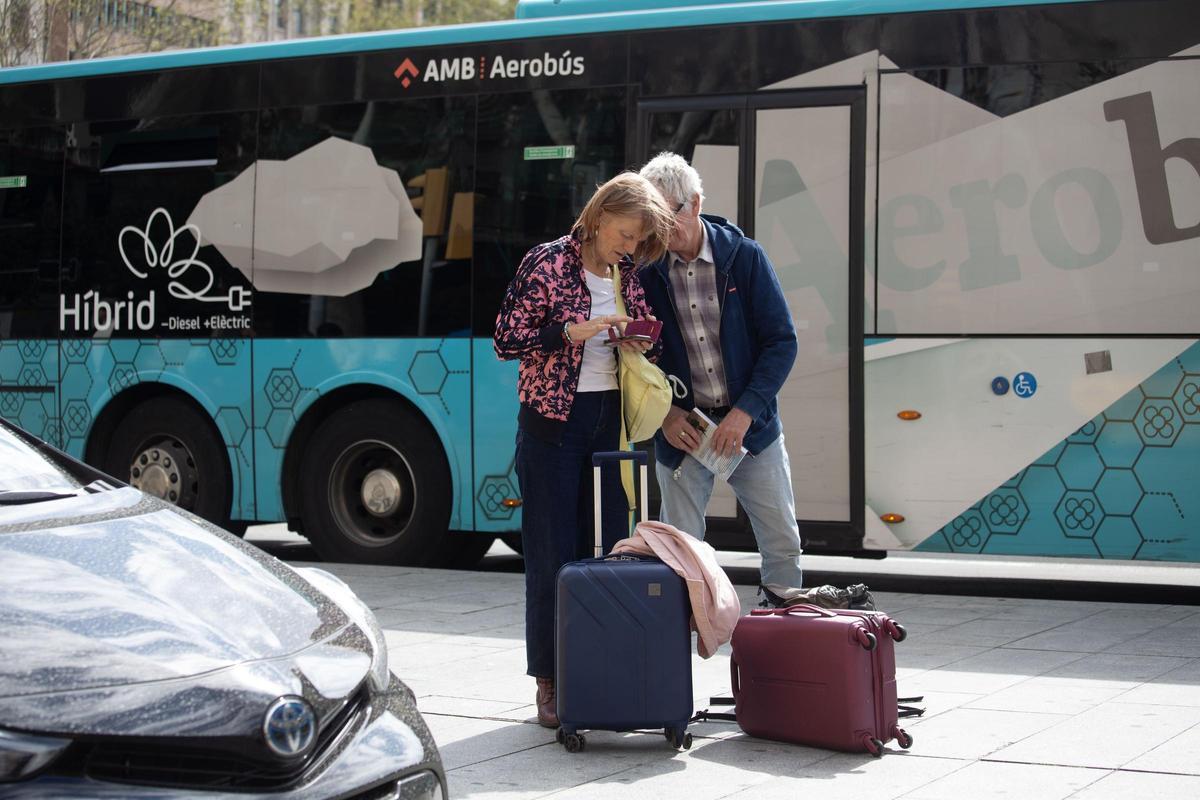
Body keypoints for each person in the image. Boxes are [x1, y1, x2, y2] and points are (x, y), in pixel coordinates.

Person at [493, 172, 674, 729]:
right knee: (551, 553)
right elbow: (505, 337)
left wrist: (639, 338)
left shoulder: (626, 273)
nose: (629, 247)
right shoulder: (546, 263)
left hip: (610, 423)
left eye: (638, 240)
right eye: (624, 234)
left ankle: (602, 668)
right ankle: (549, 681)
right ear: (598, 219)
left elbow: (646, 335)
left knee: (610, 550)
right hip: (552, 424)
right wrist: (572, 332)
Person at [638, 152, 805, 608]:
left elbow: (781, 342)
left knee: (781, 539)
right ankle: (680, 632)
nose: (660, 233)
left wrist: (744, 414)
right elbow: (634, 360)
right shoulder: (645, 274)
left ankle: (786, 629)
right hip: (684, 429)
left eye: (666, 216)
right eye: (651, 220)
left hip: (749, 427)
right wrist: (666, 417)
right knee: (678, 549)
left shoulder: (745, 259)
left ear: (693, 204)